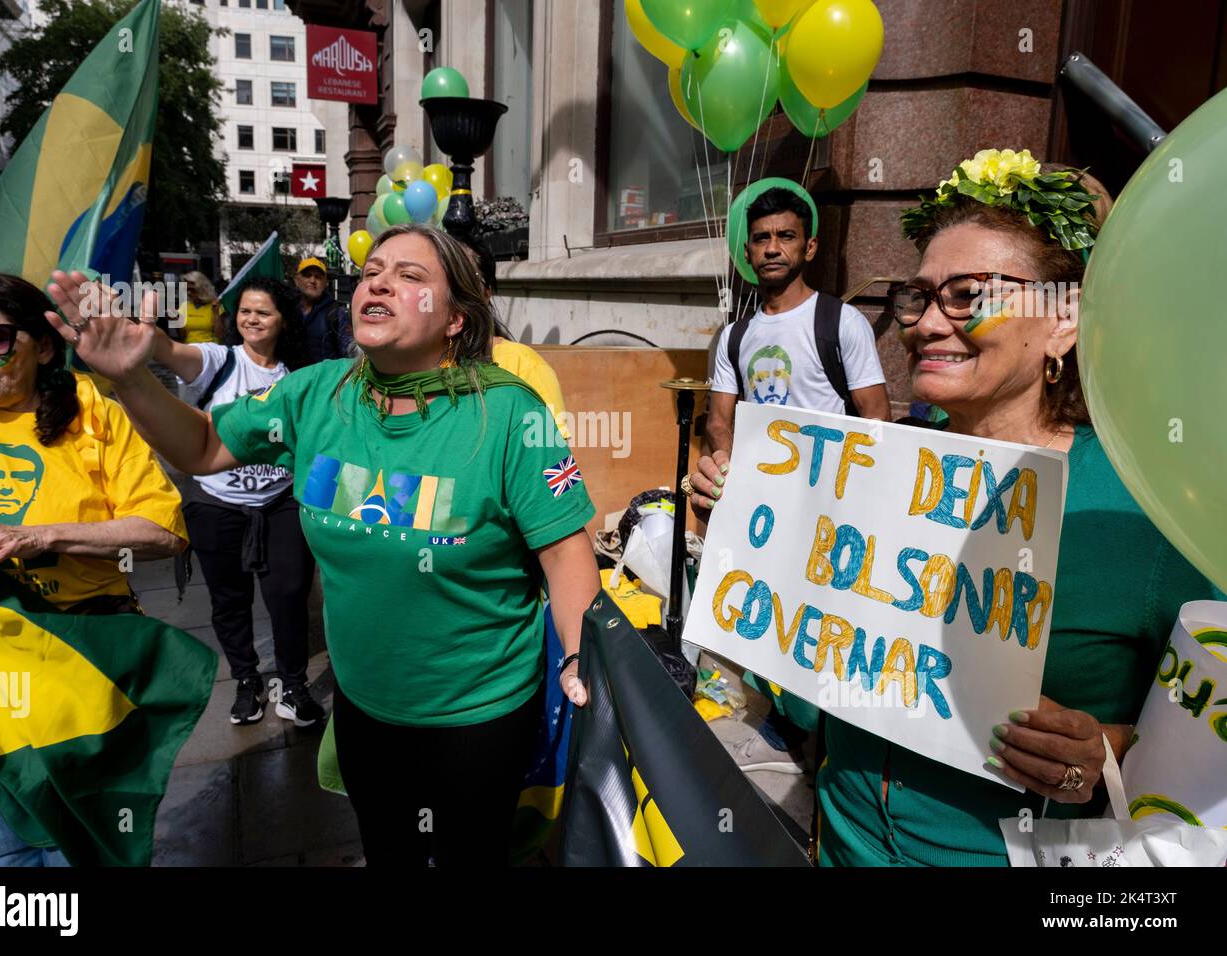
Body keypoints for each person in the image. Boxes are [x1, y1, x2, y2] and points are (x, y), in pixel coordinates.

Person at [689, 149, 1221, 865]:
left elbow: (1204, 737)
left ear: (1064, 320)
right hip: (843, 846)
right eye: (920, 296)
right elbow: (810, 680)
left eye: (969, 295)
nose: (928, 324)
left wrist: (1102, 751)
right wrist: (748, 531)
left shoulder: (1138, 515)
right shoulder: (877, 469)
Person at [43, 222, 602, 867]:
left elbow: (565, 552)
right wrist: (132, 381)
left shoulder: (511, 415)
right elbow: (200, 447)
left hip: (477, 717)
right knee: (388, 852)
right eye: (372, 272)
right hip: (365, 709)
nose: (379, 283)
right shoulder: (317, 393)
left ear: (455, 319)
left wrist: (578, 658)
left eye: (410, 276)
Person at [0, 272, 188, 865]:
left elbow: (164, 530)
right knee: (8, 856)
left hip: (80, 669)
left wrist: (36, 536)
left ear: (42, 346)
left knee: (85, 849)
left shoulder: (94, 414)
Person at [704, 185, 891, 775]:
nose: (773, 248)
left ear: (809, 246)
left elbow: (877, 418)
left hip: (830, 518)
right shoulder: (735, 335)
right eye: (761, 238)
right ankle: (780, 739)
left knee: (820, 631)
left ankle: (826, 751)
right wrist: (726, 482)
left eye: (786, 236)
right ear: (747, 250)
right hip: (761, 517)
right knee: (764, 623)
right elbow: (719, 420)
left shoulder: (842, 322)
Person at [151, 277, 324, 727]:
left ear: (283, 320)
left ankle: (292, 685)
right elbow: (172, 353)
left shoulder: (298, 377)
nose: (251, 319)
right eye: (245, 311)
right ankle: (247, 682)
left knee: (288, 596)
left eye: (263, 312)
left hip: (281, 504)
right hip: (216, 505)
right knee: (230, 601)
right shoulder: (218, 360)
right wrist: (147, 338)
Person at [458, 234, 572, 442]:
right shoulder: (410, 362)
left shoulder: (523, 364)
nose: (455, 290)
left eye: (466, 277)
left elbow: (549, 455)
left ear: (486, 293)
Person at [293, 256, 352, 363]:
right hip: (291, 378)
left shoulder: (337, 313)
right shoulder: (286, 310)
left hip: (325, 378)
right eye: (307, 275)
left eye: (318, 277)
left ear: (325, 282)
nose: (312, 280)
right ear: (297, 280)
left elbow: (350, 354)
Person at [177, 271, 224, 344]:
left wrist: (216, 314)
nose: (189, 293)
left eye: (192, 290)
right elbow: (182, 337)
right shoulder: (184, 306)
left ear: (202, 289)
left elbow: (219, 335)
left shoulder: (215, 306)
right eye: (187, 289)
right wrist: (177, 320)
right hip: (189, 349)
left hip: (210, 350)